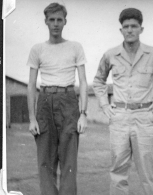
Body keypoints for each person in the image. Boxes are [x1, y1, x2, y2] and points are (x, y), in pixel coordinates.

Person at [93, 8, 153, 195]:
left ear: (141, 29)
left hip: (144, 116)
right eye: (126, 26)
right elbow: (98, 80)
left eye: (134, 26)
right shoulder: (111, 55)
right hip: (120, 117)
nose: (130, 30)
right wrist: (104, 104)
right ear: (121, 30)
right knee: (118, 172)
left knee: (148, 174)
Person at [27, 3, 88, 195]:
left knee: (69, 162)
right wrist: (32, 118)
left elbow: (84, 82)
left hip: (68, 101)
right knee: (45, 161)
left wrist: (83, 114)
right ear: (45, 21)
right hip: (45, 102)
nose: (55, 24)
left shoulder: (75, 47)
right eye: (51, 20)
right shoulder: (37, 49)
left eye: (59, 20)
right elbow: (31, 84)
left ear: (65, 21)